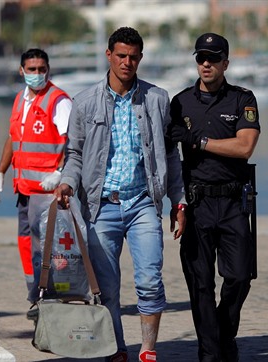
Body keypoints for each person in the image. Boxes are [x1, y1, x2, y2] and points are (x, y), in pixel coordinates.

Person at [54, 27, 186, 362]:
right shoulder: (83, 103)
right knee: (107, 288)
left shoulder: (157, 99)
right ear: (109, 56)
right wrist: (67, 183)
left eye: (134, 57)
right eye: (121, 56)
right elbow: (75, 155)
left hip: (143, 202)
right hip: (102, 207)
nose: (127, 62)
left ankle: (148, 350)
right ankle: (117, 349)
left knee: (150, 280)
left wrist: (178, 200)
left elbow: (170, 155)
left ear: (140, 58)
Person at [168, 33, 261, 362]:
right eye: (200, 58)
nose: (206, 64)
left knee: (239, 277)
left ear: (225, 63)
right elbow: (166, 157)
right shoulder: (179, 103)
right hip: (196, 204)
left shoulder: (242, 99)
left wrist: (200, 142)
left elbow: (244, 146)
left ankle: (223, 333)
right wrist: (175, 204)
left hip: (234, 203)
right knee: (200, 284)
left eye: (213, 58)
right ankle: (210, 352)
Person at [0, 48, 71, 311]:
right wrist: (0, 172)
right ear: (21, 70)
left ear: (49, 69)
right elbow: (13, 139)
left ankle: (54, 295)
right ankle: (34, 295)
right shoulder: (19, 100)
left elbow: (73, 142)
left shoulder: (58, 101)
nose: (37, 74)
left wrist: (60, 173)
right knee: (26, 243)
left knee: (50, 247)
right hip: (24, 190)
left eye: (42, 69)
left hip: (49, 192)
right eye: (32, 69)